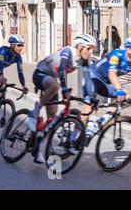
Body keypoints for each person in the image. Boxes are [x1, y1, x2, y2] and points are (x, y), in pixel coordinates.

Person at [28, 34, 96, 163]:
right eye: (90, 48)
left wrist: (91, 97)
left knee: (52, 119)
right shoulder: (68, 51)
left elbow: (88, 78)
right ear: (80, 46)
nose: (91, 51)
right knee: (56, 86)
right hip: (40, 74)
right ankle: (35, 111)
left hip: (52, 80)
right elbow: (61, 70)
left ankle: (38, 149)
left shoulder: (84, 60)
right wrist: (64, 89)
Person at [86, 37, 131, 137]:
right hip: (93, 76)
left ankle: (100, 122)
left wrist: (122, 92)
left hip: (105, 83)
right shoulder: (117, 54)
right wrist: (119, 89)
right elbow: (112, 73)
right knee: (88, 106)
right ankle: (73, 137)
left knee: (127, 97)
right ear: (127, 49)